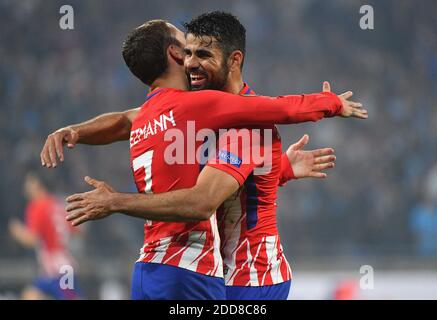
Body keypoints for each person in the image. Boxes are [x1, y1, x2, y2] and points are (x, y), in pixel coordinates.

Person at [41, 19, 366, 300]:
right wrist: (331, 102)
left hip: (148, 269)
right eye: (187, 49)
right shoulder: (198, 107)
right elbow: (280, 109)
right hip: (191, 268)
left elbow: (122, 121)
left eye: (202, 53)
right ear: (173, 54)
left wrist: (74, 131)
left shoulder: (146, 117)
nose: (193, 60)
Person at [9, 172, 81, 300]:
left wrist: (16, 231)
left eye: (29, 182)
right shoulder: (57, 204)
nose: (26, 186)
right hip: (65, 266)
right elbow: (77, 231)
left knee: (32, 295)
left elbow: (31, 239)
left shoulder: (37, 206)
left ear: (37, 184)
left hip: (54, 269)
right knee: (31, 294)